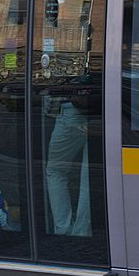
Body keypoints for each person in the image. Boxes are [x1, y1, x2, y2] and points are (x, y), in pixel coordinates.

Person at [45, 85, 92, 237]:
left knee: (55, 171)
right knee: (88, 176)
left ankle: (63, 230)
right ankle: (82, 231)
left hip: (71, 113)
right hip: (100, 113)